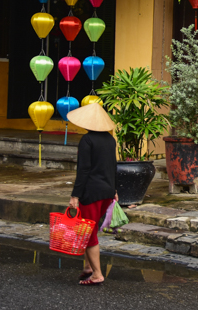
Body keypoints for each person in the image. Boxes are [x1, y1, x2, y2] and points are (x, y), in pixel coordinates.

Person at [66, 102, 118, 286]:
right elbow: (113, 166)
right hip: (107, 192)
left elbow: (84, 171)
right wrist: (115, 190)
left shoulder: (87, 141)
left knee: (88, 233)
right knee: (92, 227)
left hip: (92, 192)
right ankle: (88, 266)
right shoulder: (110, 140)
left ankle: (97, 274)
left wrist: (75, 195)